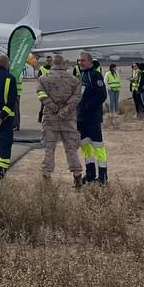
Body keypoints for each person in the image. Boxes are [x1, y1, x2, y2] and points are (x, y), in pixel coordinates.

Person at [39, 54, 83, 188]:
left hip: (50, 118)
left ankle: (46, 176)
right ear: (64, 64)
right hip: (68, 119)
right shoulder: (74, 80)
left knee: (49, 148)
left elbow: (41, 95)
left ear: (52, 63)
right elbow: (77, 97)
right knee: (71, 149)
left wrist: (54, 108)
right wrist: (65, 110)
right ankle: (77, 177)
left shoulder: (43, 79)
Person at [75, 51, 108, 183]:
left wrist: (88, 106)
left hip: (92, 118)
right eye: (79, 60)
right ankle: (90, 173)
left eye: (83, 60)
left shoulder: (96, 75)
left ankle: (103, 175)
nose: (80, 63)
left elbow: (102, 95)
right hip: (81, 119)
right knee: (85, 146)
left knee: (98, 146)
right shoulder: (81, 75)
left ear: (90, 61)